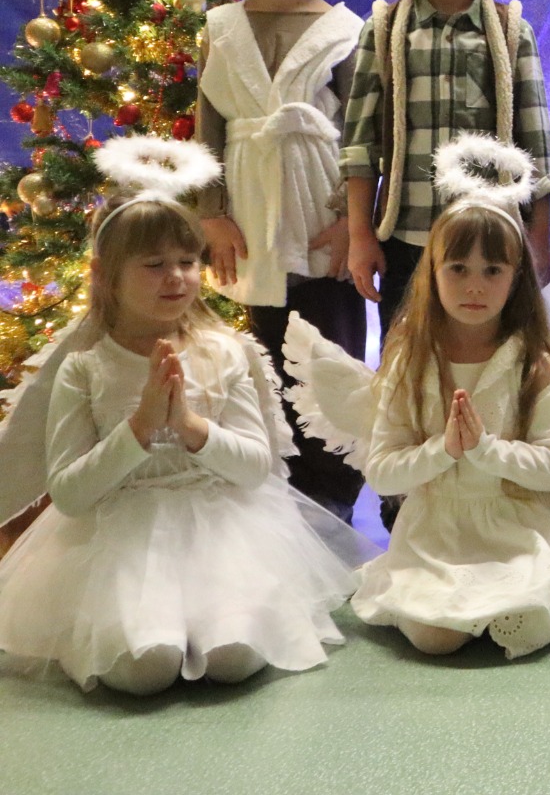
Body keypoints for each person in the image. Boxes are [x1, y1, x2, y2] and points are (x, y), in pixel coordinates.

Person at [0, 138, 365, 694]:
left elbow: (254, 467)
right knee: (143, 668)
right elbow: (70, 494)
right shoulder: (86, 368)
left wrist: (192, 428)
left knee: (234, 657)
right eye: (154, 265)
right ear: (105, 274)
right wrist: (140, 428)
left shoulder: (225, 353)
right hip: (121, 537)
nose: (176, 277)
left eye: (187, 262)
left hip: (221, 529)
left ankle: (209, 624)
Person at [350, 137, 550, 658]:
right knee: (435, 636)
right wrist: (446, 450)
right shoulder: (411, 364)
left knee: (522, 607)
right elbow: (382, 473)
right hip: (435, 531)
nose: (474, 287)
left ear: (516, 279)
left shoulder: (533, 365)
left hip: (516, 527)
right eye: (458, 269)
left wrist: (486, 450)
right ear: (432, 274)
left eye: (492, 271)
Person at [198, 0, 366, 522]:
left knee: (330, 356)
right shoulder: (219, 28)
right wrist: (211, 215)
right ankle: (277, 495)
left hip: (322, 210)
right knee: (264, 354)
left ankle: (335, 500)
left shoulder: (346, 30)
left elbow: (367, 134)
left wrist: (354, 222)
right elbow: (209, 127)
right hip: (250, 211)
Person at [340, 0, 550, 334]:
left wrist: (539, 236)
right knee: (408, 351)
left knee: (490, 350)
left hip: (490, 240)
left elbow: (535, 148)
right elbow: (359, 147)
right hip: (406, 238)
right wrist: (360, 235)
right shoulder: (384, 31)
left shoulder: (511, 31)